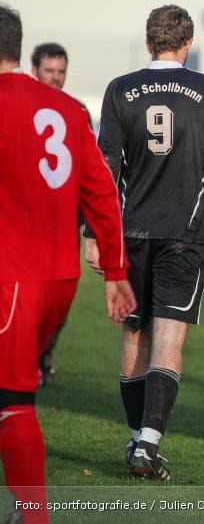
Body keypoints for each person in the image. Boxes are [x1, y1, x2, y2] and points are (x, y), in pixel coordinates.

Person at [84, 4, 204, 481]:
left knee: (135, 333)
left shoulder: (119, 89)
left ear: (149, 40)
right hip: (185, 233)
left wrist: (94, 232)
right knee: (170, 334)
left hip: (129, 234)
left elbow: (104, 168)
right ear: (188, 44)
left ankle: (138, 438)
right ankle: (148, 443)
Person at [0, 4, 135, 524]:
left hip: (14, 274)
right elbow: (102, 190)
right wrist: (117, 272)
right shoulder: (68, 109)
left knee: (14, 400)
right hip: (58, 277)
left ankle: (33, 516)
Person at [30, 42, 94, 386]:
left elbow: (90, 168)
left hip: (66, 222)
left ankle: (44, 352)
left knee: (60, 302)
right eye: (49, 71)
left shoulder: (78, 110)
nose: (56, 79)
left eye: (61, 72)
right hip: (26, 221)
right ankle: (26, 358)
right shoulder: (19, 105)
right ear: (34, 71)